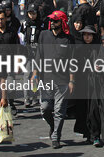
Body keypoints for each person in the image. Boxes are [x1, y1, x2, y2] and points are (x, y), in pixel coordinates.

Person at [32, 11, 76, 149]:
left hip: (62, 81)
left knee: (59, 111)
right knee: (45, 108)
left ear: (62, 23)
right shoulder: (44, 35)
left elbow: (72, 62)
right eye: (51, 21)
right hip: (46, 79)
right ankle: (52, 125)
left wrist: (71, 81)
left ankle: (56, 136)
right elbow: (39, 55)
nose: (52, 23)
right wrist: (35, 75)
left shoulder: (69, 39)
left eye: (55, 21)